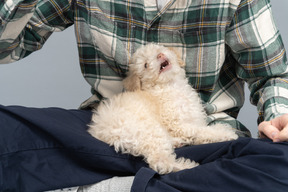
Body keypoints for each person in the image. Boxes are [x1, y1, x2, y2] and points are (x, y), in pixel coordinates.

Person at [0, 0, 288, 191]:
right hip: (103, 134)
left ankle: (116, 185)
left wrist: (279, 119)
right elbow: (6, 48)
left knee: (281, 164)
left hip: (203, 141)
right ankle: (160, 183)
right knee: (5, 128)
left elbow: (272, 74)